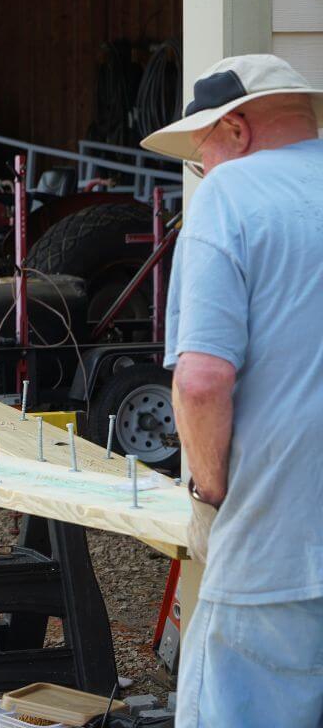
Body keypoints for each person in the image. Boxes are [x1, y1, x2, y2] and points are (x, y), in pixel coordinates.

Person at [142, 54, 323, 727]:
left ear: (238, 133)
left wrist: (208, 497)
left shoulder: (231, 195)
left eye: (201, 153)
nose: (203, 171)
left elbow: (202, 378)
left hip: (275, 548)